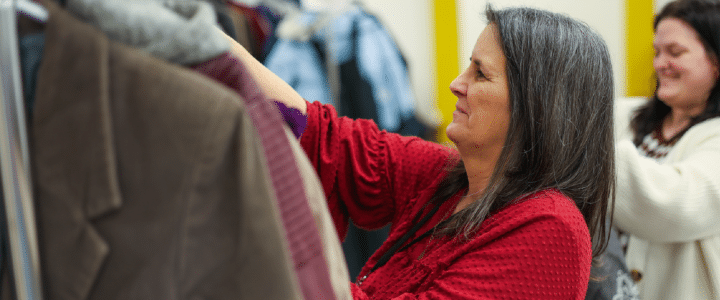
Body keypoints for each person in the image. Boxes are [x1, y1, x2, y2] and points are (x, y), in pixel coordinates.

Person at [229, 5, 615, 300]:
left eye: (480, 74)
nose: (455, 84)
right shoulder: (451, 178)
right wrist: (207, 44)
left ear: (538, 105)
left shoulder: (550, 231)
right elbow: (325, 137)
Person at [613, 0, 720, 299]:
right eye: (657, 52)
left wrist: (589, 151)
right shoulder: (626, 116)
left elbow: (673, 206)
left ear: (716, 61)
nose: (660, 63)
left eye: (675, 52)